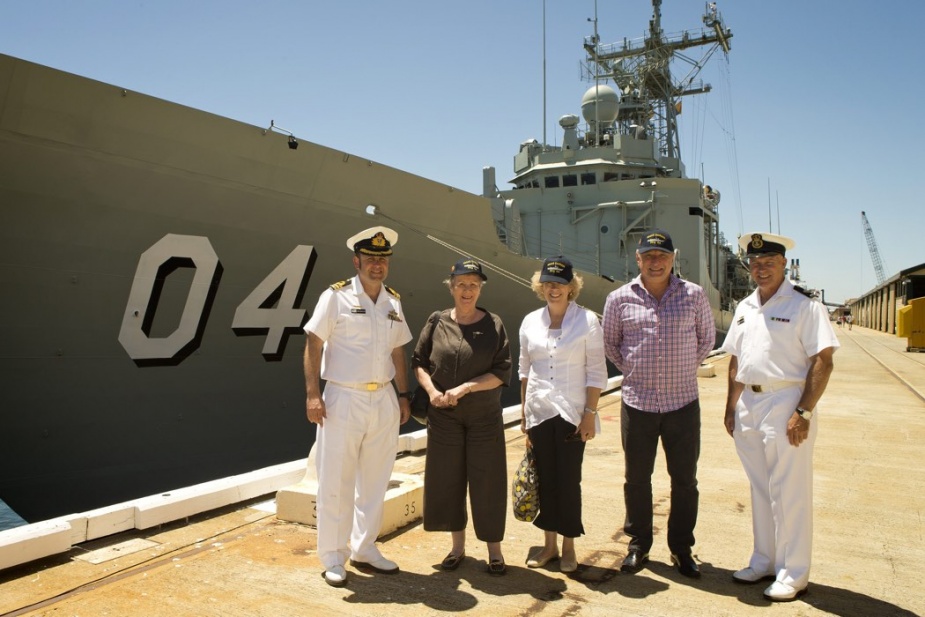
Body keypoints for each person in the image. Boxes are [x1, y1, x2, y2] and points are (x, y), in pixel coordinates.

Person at [721, 232, 838, 602]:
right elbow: (736, 360)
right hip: (750, 404)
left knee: (789, 490)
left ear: (784, 264)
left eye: (769, 262)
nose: (761, 269)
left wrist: (803, 411)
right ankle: (764, 560)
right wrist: (730, 408)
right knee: (760, 488)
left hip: (787, 400)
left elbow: (823, 360)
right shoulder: (745, 306)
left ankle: (794, 572)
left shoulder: (805, 306)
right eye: (755, 263)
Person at [303, 226, 413, 588]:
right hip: (343, 397)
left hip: (382, 397)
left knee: (376, 479)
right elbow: (314, 343)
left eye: (382, 260)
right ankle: (333, 557)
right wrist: (312, 394)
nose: (377, 266)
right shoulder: (335, 297)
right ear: (357, 261)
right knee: (336, 479)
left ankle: (365, 547)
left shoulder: (392, 302)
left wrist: (402, 394)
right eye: (370, 259)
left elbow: (398, 350)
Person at [602, 229, 715, 578]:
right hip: (638, 404)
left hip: (682, 403)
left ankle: (682, 550)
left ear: (673, 258)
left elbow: (706, 340)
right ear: (637, 259)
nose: (655, 262)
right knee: (636, 479)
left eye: (662, 256)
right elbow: (612, 345)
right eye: (648, 256)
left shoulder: (694, 295)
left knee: (685, 480)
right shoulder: (619, 299)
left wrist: (678, 373)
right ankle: (638, 546)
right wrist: (639, 371)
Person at [412, 258, 512, 575]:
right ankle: (457, 548)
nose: (467, 290)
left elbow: (500, 372)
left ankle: (494, 552)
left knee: (488, 482)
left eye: (473, 285)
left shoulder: (493, 324)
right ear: (451, 287)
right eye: (461, 284)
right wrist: (431, 393)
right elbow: (419, 362)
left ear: (479, 289)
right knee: (448, 481)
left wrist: (466, 388)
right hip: (444, 417)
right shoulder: (437, 320)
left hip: (484, 418)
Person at [519, 256, 607, 573]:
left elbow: (596, 373)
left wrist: (589, 414)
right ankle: (549, 546)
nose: (554, 289)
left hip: (572, 413)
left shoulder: (587, 322)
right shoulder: (530, 322)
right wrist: (524, 415)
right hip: (539, 412)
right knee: (545, 480)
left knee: (569, 481)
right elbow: (524, 371)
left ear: (572, 288)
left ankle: (569, 547)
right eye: (548, 284)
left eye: (560, 284)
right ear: (540, 287)